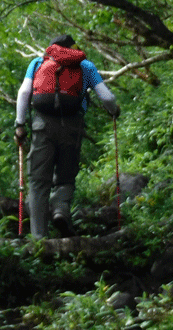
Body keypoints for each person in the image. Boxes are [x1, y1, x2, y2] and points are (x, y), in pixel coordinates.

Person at [14, 34, 120, 238]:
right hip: (73, 126)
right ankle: (60, 210)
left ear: (52, 47)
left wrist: (19, 125)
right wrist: (114, 111)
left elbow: (24, 93)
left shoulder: (37, 63)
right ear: (72, 48)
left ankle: (39, 238)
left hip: (42, 125)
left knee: (38, 181)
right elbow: (106, 96)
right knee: (66, 176)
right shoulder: (85, 66)